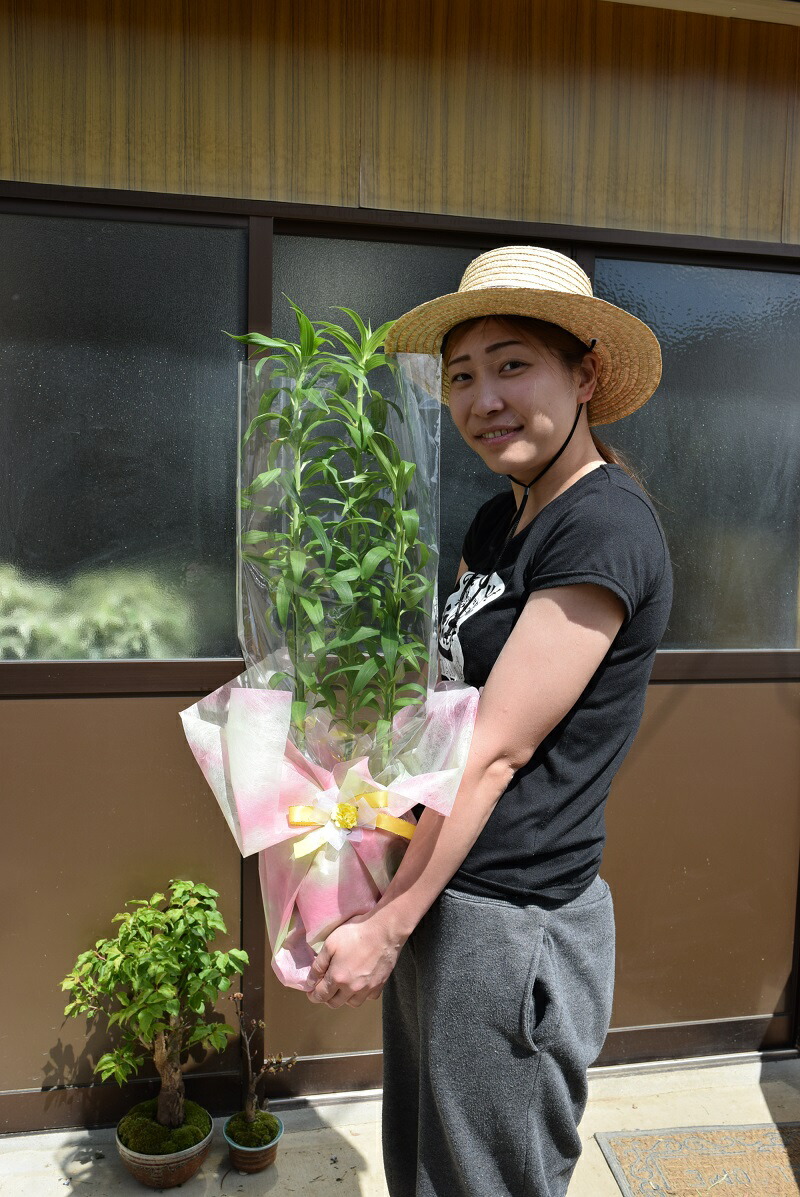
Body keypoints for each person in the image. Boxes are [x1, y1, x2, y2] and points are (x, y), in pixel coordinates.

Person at [306, 246, 673, 1197]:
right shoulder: (495, 522)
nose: (483, 400)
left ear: (585, 374)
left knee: (486, 1182)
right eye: (462, 375)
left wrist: (387, 925)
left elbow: (495, 749)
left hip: (512, 925)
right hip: (447, 892)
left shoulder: (603, 529)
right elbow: (447, 706)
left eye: (514, 365)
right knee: (425, 1169)